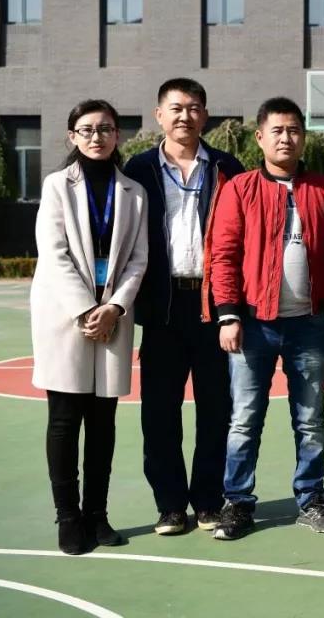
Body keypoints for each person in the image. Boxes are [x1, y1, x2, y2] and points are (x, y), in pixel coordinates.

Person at [207, 97, 324, 540]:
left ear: (303, 137)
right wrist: (228, 314)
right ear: (260, 137)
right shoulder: (240, 189)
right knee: (244, 419)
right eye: (277, 130)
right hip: (253, 323)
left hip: (308, 324)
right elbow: (223, 254)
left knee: (310, 419)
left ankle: (310, 498)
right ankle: (238, 502)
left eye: (294, 130)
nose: (286, 138)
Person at [124, 78, 245, 535]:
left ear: (205, 115)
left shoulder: (227, 167)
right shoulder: (138, 170)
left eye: (194, 108)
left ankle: (208, 501)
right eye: (175, 108)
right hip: (162, 305)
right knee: (159, 412)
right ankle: (171, 505)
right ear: (159, 115)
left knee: (216, 409)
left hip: (214, 306)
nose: (185, 116)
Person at [32, 100, 148, 554]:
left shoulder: (134, 192)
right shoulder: (56, 185)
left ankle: (97, 515)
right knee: (64, 420)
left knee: (103, 422)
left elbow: (139, 259)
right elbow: (53, 254)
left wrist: (115, 307)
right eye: (87, 129)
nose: (96, 137)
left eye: (105, 129)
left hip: (113, 315)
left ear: (117, 135)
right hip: (66, 316)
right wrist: (86, 310)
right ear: (72, 136)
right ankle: (68, 518)